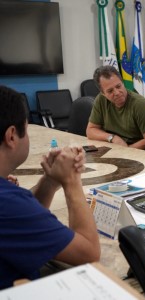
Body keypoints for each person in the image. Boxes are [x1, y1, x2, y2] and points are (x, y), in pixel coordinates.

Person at [0, 86, 100, 289]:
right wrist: (72, 180)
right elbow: (88, 252)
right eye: (26, 130)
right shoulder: (7, 202)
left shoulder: (11, 203)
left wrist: (51, 180)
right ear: (12, 135)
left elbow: (24, 224)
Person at [86, 66, 145, 150]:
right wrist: (113, 138)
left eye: (118, 86)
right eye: (110, 91)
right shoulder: (101, 100)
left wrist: (125, 149)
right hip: (114, 147)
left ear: (123, 83)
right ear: (103, 94)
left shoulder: (140, 104)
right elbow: (91, 130)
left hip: (137, 150)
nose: (117, 93)